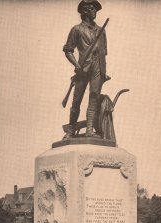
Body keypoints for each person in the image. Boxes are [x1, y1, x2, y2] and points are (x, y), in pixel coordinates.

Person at [63, 0, 110, 139]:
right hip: (83, 68)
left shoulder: (101, 30)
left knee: (94, 97)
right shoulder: (77, 29)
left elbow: (104, 51)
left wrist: (103, 71)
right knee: (76, 100)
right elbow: (68, 50)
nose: (95, 11)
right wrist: (77, 65)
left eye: (95, 9)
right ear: (84, 11)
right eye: (92, 8)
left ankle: (89, 129)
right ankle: (71, 129)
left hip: (98, 67)